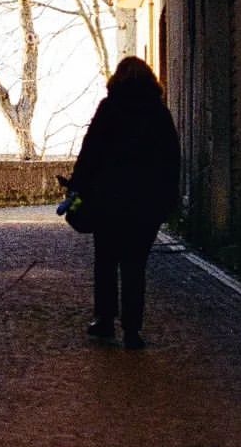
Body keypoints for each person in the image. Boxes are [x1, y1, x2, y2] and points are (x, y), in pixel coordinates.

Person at [68, 56, 180, 349]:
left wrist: (77, 187)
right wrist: (168, 199)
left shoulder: (110, 109)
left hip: (108, 201)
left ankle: (105, 320)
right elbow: (170, 159)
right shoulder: (157, 112)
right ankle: (132, 330)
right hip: (145, 204)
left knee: (106, 261)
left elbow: (90, 151)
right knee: (135, 266)